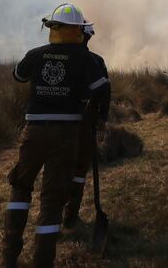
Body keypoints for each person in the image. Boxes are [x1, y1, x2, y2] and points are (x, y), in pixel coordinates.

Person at [1, 4, 108, 268]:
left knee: (21, 185)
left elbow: (18, 75)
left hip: (34, 131)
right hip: (66, 133)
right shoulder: (86, 59)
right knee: (51, 199)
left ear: (52, 27)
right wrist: (94, 112)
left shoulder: (36, 55)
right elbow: (102, 88)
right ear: (80, 31)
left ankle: (8, 257)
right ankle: (42, 262)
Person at [62, 23, 110, 229]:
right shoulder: (96, 61)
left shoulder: (59, 57)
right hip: (84, 121)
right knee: (79, 168)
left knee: (62, 167)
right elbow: (105, 90)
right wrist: (101, 117)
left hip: (61, 122)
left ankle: (55, 214)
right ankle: (70, 215)